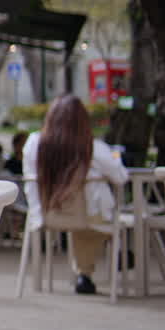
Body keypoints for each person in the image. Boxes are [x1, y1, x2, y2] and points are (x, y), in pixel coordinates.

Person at [23, 94, 128, 295]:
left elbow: (31, 180)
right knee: (95, 221)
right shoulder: (93, 147)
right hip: (87, 217)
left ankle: (83, 273)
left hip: (48, 214)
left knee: (84, 223)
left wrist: (38, 215)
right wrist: (114, 158)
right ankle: (85, 272)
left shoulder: (33, 144)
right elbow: (121, 177)